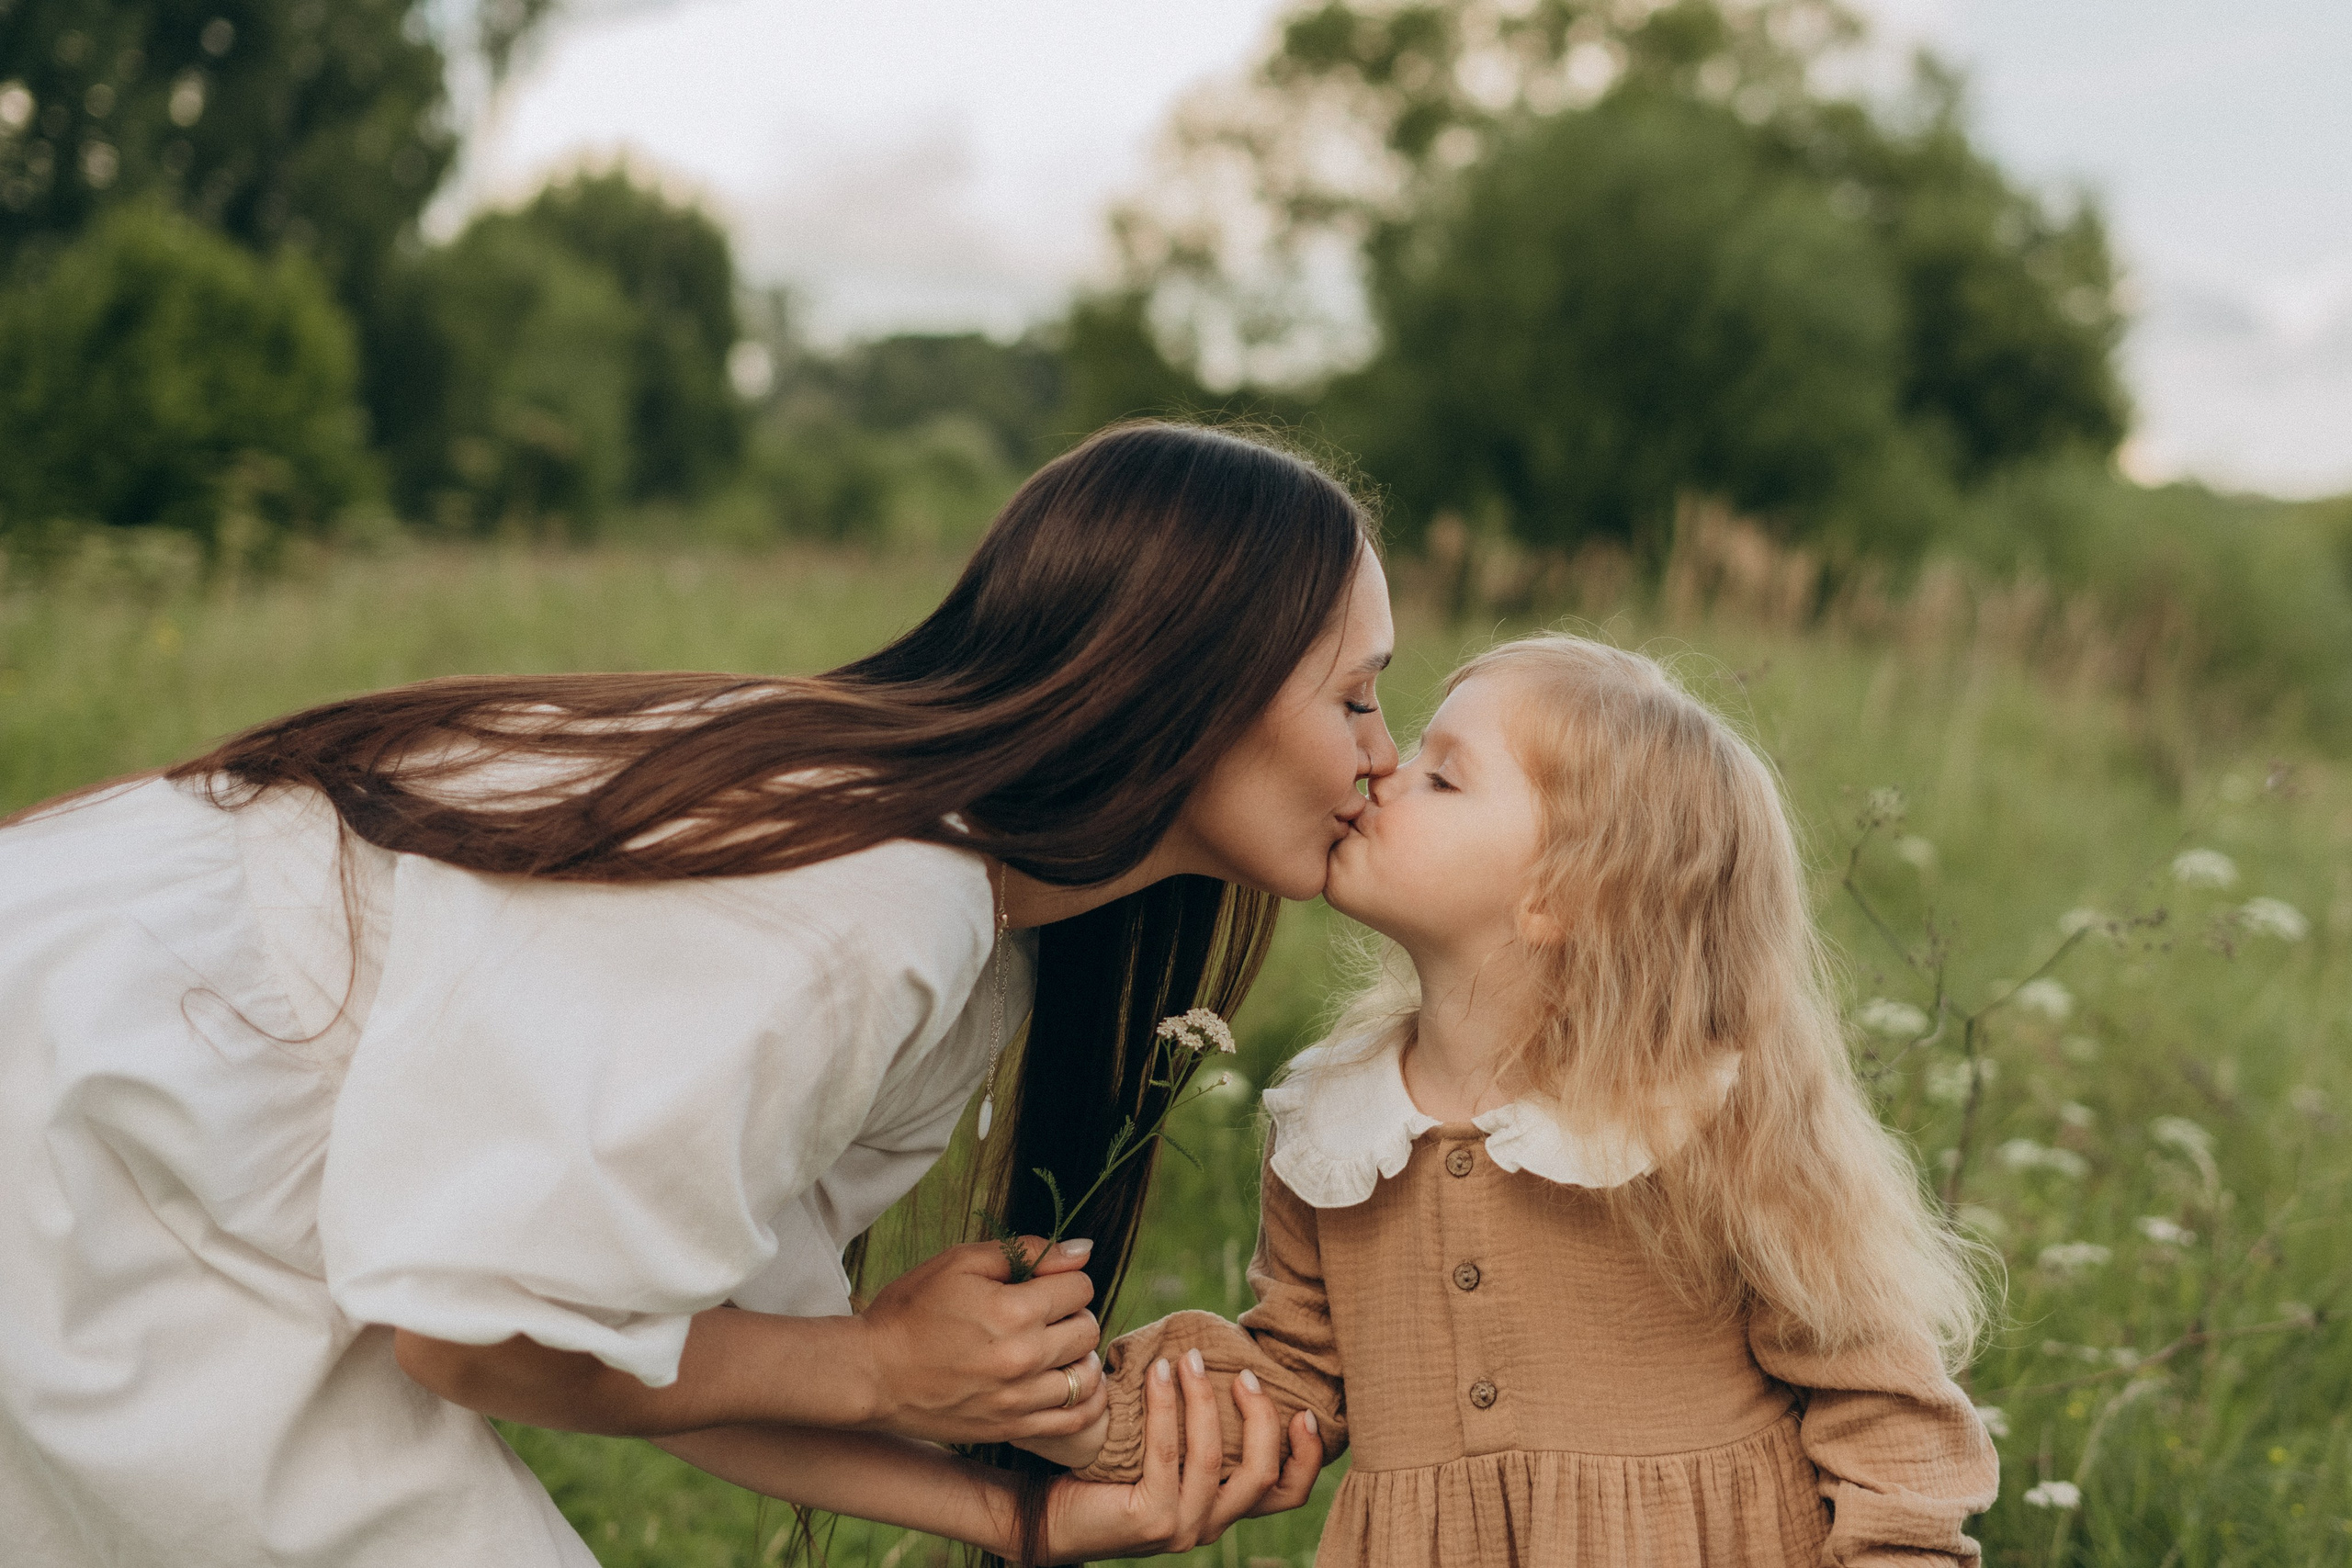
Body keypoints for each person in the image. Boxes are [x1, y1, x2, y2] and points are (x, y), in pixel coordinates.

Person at [0, 423, 1393, 1566]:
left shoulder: (975, 935)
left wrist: (1018, 1509)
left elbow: (682, 1344)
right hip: (105, 1119)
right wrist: (883, 1367)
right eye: (1356, 698)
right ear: (1192, 687)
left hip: (165, 1129)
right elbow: (483, 1336)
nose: (1385, 755)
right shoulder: (878, 904)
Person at [1049, 634, 2002, 1564]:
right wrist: (1077, 1406)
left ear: (1562, 896)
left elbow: (1877, 1399)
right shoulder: (1337, 1126)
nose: (1384, 774)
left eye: (1442, 777)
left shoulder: (1697, 1116)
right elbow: (1296, 1378)